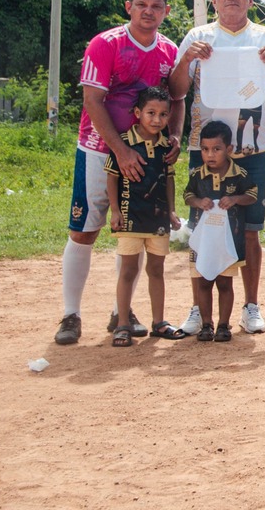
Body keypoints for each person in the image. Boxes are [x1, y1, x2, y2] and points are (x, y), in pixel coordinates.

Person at [55, 0, 182, 345]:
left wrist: (172, 136)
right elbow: (93, 100)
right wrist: (121, 151)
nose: (148, 12)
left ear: (165, 12)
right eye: (141, 4)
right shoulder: (105, 43)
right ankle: (71, 314)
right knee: (86, 228)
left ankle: (120, 313)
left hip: (146, 154)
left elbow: (177, 98)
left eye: (156, 6)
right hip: (99, 148)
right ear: (129, 7)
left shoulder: (169, 50)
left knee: (137, 227)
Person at [170, 0, 265, 335]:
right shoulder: (198, 36)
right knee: (202, 228)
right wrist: (186, 60)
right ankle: (198, 309)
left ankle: (251, 305)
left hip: (252, 150)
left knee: (251, 231)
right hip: (204, 151)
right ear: (214, 0)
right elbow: (176, 90)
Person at [105, 85, 185, 346]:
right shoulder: (123, 143)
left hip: (158, 220)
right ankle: (123, 323)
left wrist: (171, 210)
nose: (157, 120)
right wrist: (115, 211)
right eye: (151, 113)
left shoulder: (167, 147)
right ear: (138, 112)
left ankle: (159, 322)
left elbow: (169, 180)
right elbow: (112, 177)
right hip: (130, 217)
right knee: (128, 270)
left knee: (156, 270)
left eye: (163, 115)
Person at [182, 121, 259, 342]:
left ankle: (224, 325)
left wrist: (235, 199)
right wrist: (198, 202)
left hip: (229, 240)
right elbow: (187, 195)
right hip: (204, 241)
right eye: (205, 149)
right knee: (204, 282)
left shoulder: (240, 174)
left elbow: (252, 194)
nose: (210, 155)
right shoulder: (198, 175)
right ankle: (206, 325)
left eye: (216, 149)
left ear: (229, 149)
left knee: (225, 283)